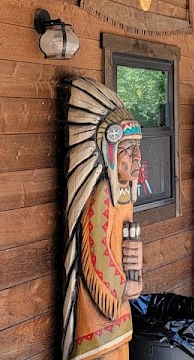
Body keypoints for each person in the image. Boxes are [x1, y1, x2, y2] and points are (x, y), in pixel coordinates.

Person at [62, 77, 145, 360]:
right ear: (110, 152)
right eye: (128, 148)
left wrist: (136, 258)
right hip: (101, 314)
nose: (136, 157)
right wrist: (125, 285)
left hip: (120, 311)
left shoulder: (124, 194)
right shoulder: (102, 196)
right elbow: (96, 254)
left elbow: (123, 243)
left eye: (138, 147)